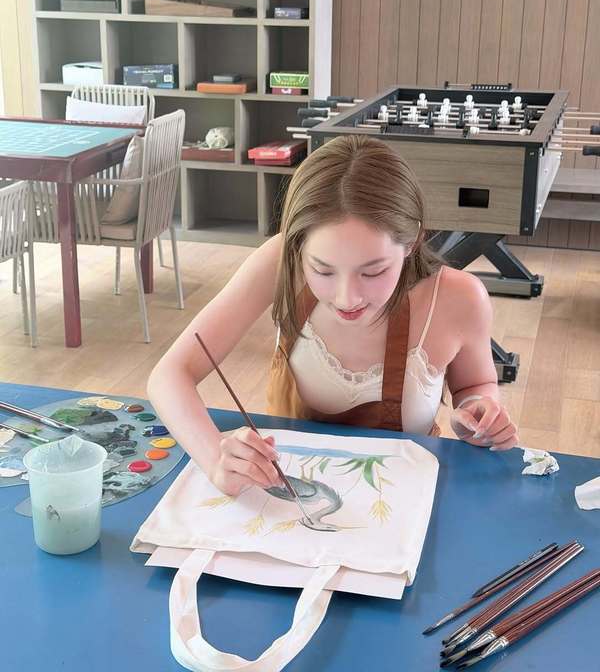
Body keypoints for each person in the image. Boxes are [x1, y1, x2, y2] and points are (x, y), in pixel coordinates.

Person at [148, 135, 518, 496]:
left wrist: (477, 411)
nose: (346, 298)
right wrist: (215, 457)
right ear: (298, 249)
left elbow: (474, 386)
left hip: (401, 500)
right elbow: (169, 374)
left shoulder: (458, 297)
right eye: (322, 270)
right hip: (290, 497)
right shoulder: (280, 262)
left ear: (413, 241)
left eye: (373, 271)